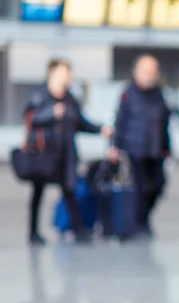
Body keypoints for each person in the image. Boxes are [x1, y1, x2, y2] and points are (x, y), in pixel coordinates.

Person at [26, 59, 113, 245]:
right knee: (38, 192)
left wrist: (100, 129)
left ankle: (78, 228)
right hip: (44, 153)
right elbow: (30, 118)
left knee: (69, 190)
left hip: (66, 154)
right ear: (52, 73)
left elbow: (81, 123)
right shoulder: (40, 95)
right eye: (63, 72)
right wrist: (51, 113)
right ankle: (33, 232)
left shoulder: (70, 98)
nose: (67, 76)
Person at [113, 54, 171, 237]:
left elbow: (164, 122)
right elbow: (120, 122)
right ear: (136, 72)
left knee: (158, 186)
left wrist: (167, 147)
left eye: (153, 71)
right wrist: (114, 146)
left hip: (156, 150)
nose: (150, 75)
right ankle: (138, 224)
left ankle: (143, 218)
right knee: (138, 189)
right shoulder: (128, 93)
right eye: (146, 71)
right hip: (135, 150)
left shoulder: (159, 94)